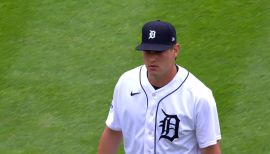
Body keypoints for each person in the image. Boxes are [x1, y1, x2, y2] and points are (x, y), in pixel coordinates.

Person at [98, 20, 221, 154]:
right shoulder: (126, 83)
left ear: (175, 50)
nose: (152, 59)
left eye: (158, 52)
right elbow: (113, 132)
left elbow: (210, 149)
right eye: (148, 52)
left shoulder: (198, 96)